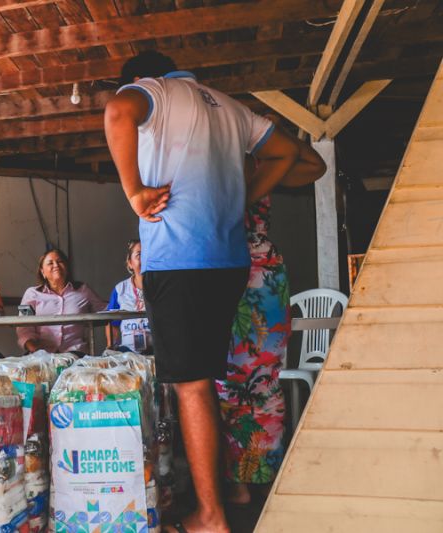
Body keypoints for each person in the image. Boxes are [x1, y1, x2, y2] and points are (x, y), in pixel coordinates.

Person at [104, 50, 325, 533]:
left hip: (181, 260)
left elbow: (118, 111)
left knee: (195, 386)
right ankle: (229, 492)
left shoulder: (155, 93)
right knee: (227, 383)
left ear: (142, 78)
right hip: (230, 262)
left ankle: (212, 515)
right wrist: (242, 196)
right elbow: (289, 153)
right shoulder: (230, 108)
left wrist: (134, 192)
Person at [217, 143, 326, 505]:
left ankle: (244, 482)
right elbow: (315, 165)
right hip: (263, 273)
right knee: (261, 381)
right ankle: (261, 478)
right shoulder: (266, 168)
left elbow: (319, 166)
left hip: (231, 272)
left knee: (241, 382)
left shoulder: (215, 173)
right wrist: (277, 142)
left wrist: (272, 144)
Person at [16, 248, 106, 354]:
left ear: (66, 268)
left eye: (60, 261)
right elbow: (23, 326)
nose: (56, 265)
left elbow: (106, 310)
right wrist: (34, 348)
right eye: (50, 263)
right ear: (42, 271)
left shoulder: (83, 290)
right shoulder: (31, 293)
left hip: (76, 354)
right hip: (42, 354)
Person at [105, 239, 152, 353]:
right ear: (130, 263)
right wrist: (111, 346)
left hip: (156, 350)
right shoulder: (120, 289)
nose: (144, 258)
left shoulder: (161, 287)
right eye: (139, 255)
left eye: (148, 253)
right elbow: (112, 323)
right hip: (128, 351)